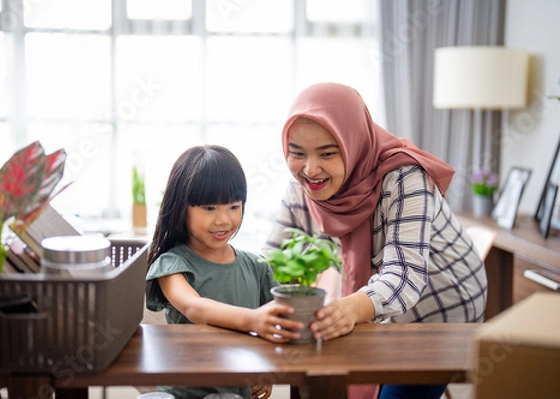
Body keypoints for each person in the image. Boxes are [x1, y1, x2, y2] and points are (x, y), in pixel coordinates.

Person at [263, 82, 488, 399]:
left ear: (352, 143)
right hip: (373, 308)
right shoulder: (303, 188)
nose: (310, 169)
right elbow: (271, 260)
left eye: (327, 153)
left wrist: (349, 310)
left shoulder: (405, 176)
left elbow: (405, 273)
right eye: (297, 153)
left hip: (439, 309)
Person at [146, 145, 303, 399]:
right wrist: (253, 320)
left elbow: (275, 331)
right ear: (181, 208)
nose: (223, 220)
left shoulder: (257, 268)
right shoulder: (172, 264)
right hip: (181, 394)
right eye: (209, 208)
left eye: (233, 206)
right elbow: (195, 308)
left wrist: (266, 369)